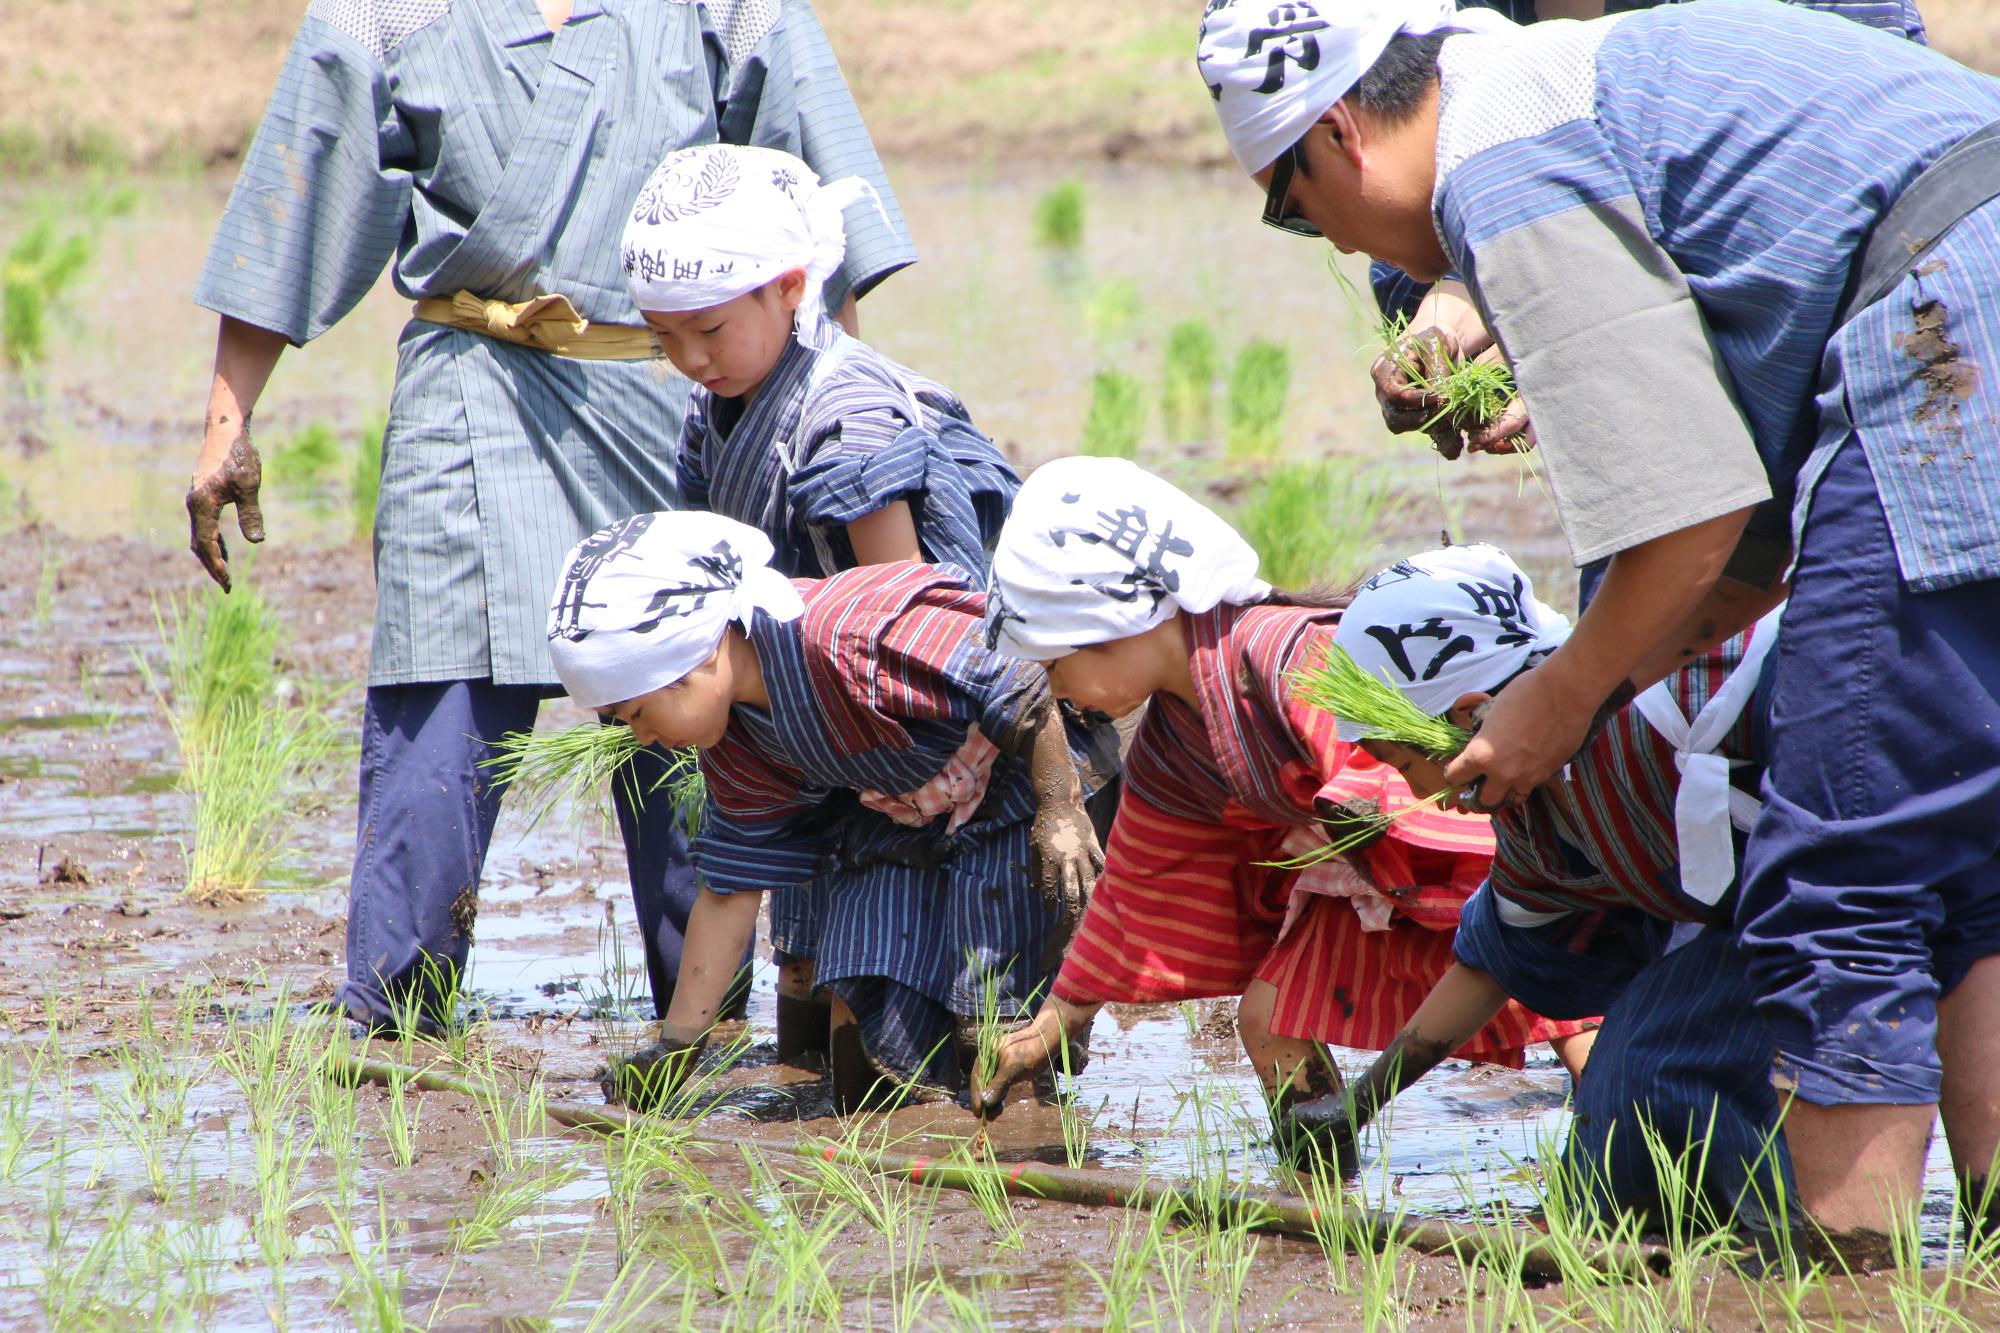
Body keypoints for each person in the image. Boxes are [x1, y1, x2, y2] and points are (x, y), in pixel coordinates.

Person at [1196, 0, 2000, 1252]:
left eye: (1289, 209)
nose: (1316, 235)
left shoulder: (1495, 163)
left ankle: (1851, 1285)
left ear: (1337, 135)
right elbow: (1728, 559)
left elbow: (1690, 514)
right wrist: (1612, 678)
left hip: (1948, 324)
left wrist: (1561, 698)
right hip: (1957, 292)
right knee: (1961, 868)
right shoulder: (1545, 93)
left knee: (1841, 878)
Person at [183, 0, 915, 1034]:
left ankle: (704, 1024)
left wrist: (834, 407)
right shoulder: (386, 10)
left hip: (678, 397)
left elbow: (816, 214)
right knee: (438, 694)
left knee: (694, 703)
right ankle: (394, 1015)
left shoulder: (728, 8)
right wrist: (226, 424)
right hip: (470, 384)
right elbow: (297, 195)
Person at [968, 458, 1592, 1160]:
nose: (1064, 696)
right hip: (1372, 883)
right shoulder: (1175, 738)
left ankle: (1630, 1151)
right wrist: (1050, 1024)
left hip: (1461, 857)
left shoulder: (1283, 655)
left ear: (1109, 623)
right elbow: (1139, 886)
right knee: (1270, 1014)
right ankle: (1321, 1176)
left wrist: (1382, 835)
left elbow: (1412, 787)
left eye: (1055, 667)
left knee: (1563, 998)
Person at [616, 142, 1023, 1059]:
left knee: (907, 1003)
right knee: (802, 981)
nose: (688, 359)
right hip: (801, 712)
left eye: (709, 330)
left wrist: (897, 763)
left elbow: (902, 611)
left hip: (911, 712)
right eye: (663, 336)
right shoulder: (712, 406)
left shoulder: (848, 414)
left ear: (791, 287)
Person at [1283, 544, 1796, 1240]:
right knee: (1631, 1087)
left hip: (1829, 905)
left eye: (1406, 763)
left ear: (1469, 714)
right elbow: (1500, 953)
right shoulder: (1532, 803)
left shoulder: (1674, 709)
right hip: (1739, 923)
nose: (1410, 792)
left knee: (1654, 1072)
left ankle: (1803, 1249)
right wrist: (1359, 1104)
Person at [544, 512, 1105, 1111]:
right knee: (861, 1049)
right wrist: (676, 1051)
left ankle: (1021, 1144)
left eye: (636, 714)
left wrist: (1060, 809)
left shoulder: (845, 635)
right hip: (905, 820)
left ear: (699, 659)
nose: (644, 739)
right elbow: (730, 891)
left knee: (989, 1025)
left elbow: (1017, 677)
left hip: (1021, 791)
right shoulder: (736, 747)